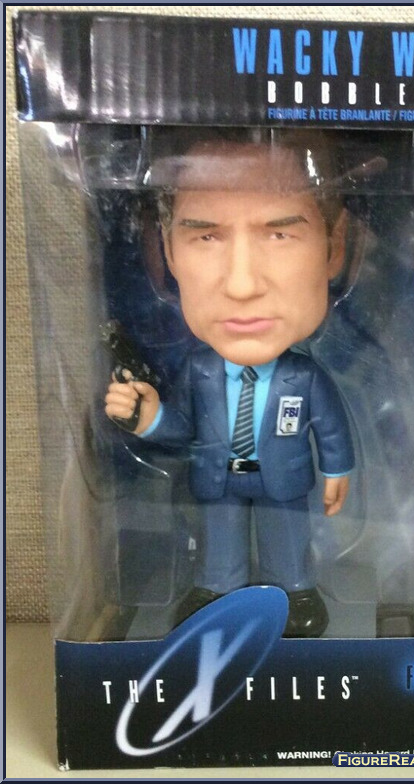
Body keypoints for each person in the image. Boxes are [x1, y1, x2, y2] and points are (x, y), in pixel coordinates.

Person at [105, 132, 355, 637]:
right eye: (206, 237)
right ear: (166, 251)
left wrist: (338, 469)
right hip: (218, 479)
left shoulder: (303, 376)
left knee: (286, 539)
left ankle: (294, 590)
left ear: (336, 246)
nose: (242, 285)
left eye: (279, 235)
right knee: (219, 541)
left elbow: (330, 427)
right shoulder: (200, 372)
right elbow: (186, 428)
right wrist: (149, 417)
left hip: (283, 480)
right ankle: (219, 590)